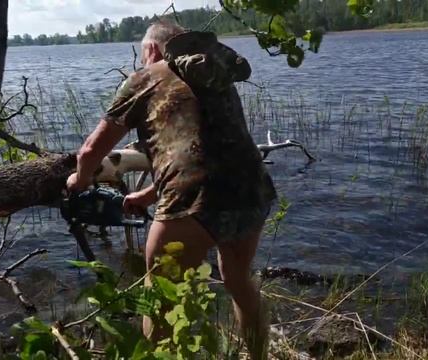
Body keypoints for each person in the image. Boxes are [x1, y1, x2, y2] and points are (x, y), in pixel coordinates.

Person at [66, 21, 276, 360]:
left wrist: (80, 179)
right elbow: (198, 147)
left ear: (151, 50)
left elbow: (90, 150)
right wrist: (147, 195)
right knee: (238, 279)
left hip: (194, 198)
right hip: (252, 187)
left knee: (161, 299)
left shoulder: (145, 79)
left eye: (142, 52)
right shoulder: (213, 75)